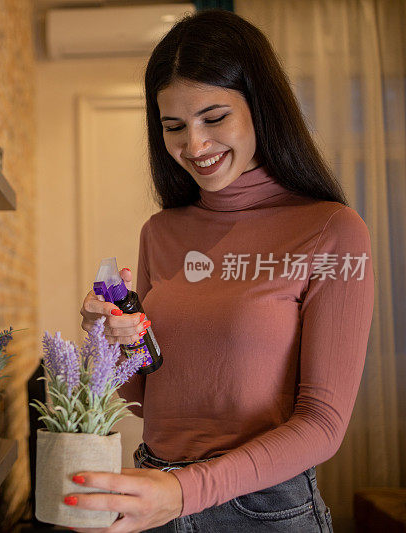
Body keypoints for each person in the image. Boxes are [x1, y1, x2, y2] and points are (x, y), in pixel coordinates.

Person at [71, 9, 374, 533]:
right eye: (173, 126)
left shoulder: (330, 230)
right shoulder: (161, 232)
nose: (194, 146)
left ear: (261, 107)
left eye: (214, 118)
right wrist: (111, 341)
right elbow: (146, 394)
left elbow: (323, 425)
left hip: (260, 510)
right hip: (155, 494)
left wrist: (185, 492)